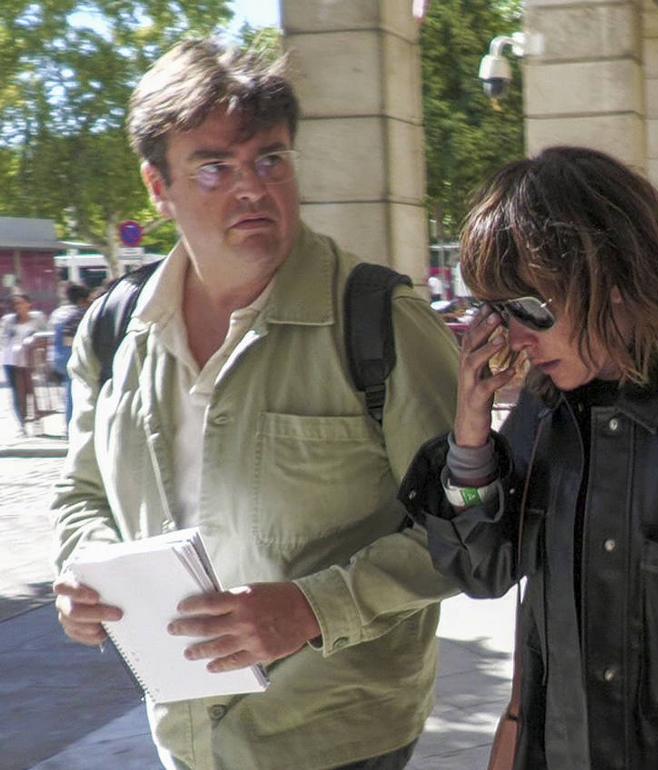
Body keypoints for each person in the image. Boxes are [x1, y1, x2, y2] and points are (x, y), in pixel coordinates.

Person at [50, 39, 460, 770]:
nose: (253, 188)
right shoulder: (113, 330)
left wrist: (312, 609)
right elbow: (81, 492)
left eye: (270, 159)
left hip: (341, 734)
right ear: (157, 186)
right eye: (214, 167)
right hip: (184, 736)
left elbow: (469, 529)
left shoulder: (379, 321)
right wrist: (83, 572)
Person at [399, 146, 658, 769]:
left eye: (532, 310)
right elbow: (483, 568)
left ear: (614, 278)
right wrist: (469, 440)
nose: (515, 338)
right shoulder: (546, 409)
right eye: (499, 312)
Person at [1, 291, 48, 437]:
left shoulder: (38, 318)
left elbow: (45, 336)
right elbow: (4, 340)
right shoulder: (9, 321)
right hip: (12, 361)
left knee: (32, 392)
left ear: (28, 304)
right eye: (15, 304)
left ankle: (37, 422)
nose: (17, 306)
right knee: (17, 393)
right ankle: (21, 424)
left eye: (20, 303)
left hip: (32, 360)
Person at [49, 282, 90, 425]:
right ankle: (72, 426)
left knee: (69, 392)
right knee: (75, 393)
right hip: (70, 356)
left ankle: (68, 425)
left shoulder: (59, 312)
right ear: (81, 300)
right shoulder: (79, 314)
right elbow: (70, 341)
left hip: (57, 356)